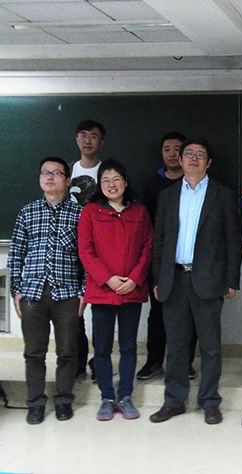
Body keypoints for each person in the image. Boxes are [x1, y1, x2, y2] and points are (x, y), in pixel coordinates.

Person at [149, 137, 242, 425]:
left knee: (210, 346)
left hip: (209, 281)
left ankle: (209, 401)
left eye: (199, 155)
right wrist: (158, 278)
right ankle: (174, 401)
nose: (192, 158)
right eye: (188, 153)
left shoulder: (223, 195)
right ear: (180, 159)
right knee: (176, 346)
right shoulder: (167, 196)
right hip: (173, 280)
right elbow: (159, 240)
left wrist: (231, 280)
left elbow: (233, 240)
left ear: (208, 162)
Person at [8, 157, 83, 424]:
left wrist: (83, 291)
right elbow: (16, 254)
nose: (50, 177)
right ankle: (36, 403)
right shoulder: (27, 212)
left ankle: (63, 400)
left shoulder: (80, 213)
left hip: (67, 293)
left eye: (56, 173)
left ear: (68, 180)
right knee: (34, 352)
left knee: (67, 351)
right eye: (45, 172)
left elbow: (87, 255)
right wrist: (16, 291)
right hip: (32, 294)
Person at [78, 159, 153, 421]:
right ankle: (107, 398)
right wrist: (108, 279)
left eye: (116, 179)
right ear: (100, 185)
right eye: (106, 180)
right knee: (101, 348)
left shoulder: (139, 212)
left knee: (129, 346)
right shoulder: (90, 211)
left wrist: (134, 279)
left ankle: (125, 396)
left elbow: (148, 248)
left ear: (126, 182)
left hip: (131, 290)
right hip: (102, 291)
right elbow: (85, 251)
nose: (111, 185)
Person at [137, 131, 198, 382]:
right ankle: (154, 361)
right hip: (161, 260)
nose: (172, 154)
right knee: (158, 313)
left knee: (190, 314)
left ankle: (185, 362)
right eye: (167, 149)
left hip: (191, 261)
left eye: (177, 149)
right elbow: (147, 225)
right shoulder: (153, 185)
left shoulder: (196, 184)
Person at [71, 119, 106, 381]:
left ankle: (99, 360)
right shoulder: (66, 171)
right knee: (74, 309)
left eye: (93, 136)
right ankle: (77, 360)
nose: (87, 140)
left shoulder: (107, 171)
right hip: (71, 250)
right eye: (83, 135)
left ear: (101, 142)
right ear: (77, 139)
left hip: (101, 250)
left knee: (100, 309)